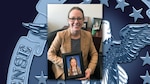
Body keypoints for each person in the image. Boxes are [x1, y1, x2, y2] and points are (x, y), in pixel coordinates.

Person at [47, 6, 98, 80]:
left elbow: (94, 54)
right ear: (68, 20)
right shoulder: (60, 35)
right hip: (64, 72)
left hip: (82, 72)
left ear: (83, 20)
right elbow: (50, 54)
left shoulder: (88, 35)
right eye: (73, 18)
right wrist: (64, 63)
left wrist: (90, 69)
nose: (76, 22)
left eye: (79, 18)